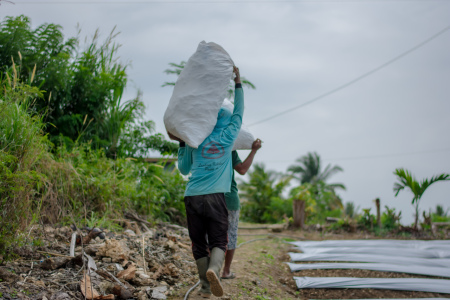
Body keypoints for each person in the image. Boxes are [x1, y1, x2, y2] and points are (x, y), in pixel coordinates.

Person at [171, 66, 243, 298]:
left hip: (192, 195)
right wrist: (238, 82)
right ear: (226, 120)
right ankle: (214, 269)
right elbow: (239, 112)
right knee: (219, 240)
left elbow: (183, 168)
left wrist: (182, 142)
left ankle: (204, 287)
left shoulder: (195, 137)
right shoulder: (229, 136)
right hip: (216, 197)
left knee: (198, 243)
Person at [221, 139, 262, 280]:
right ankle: (226, 271)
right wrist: (254, 150)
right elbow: (242, 170)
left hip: (211, 197)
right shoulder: (229, 149)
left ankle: (211, 269)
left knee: (211, 234)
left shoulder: (207, 149)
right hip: (230, 198)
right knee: (230, 235)